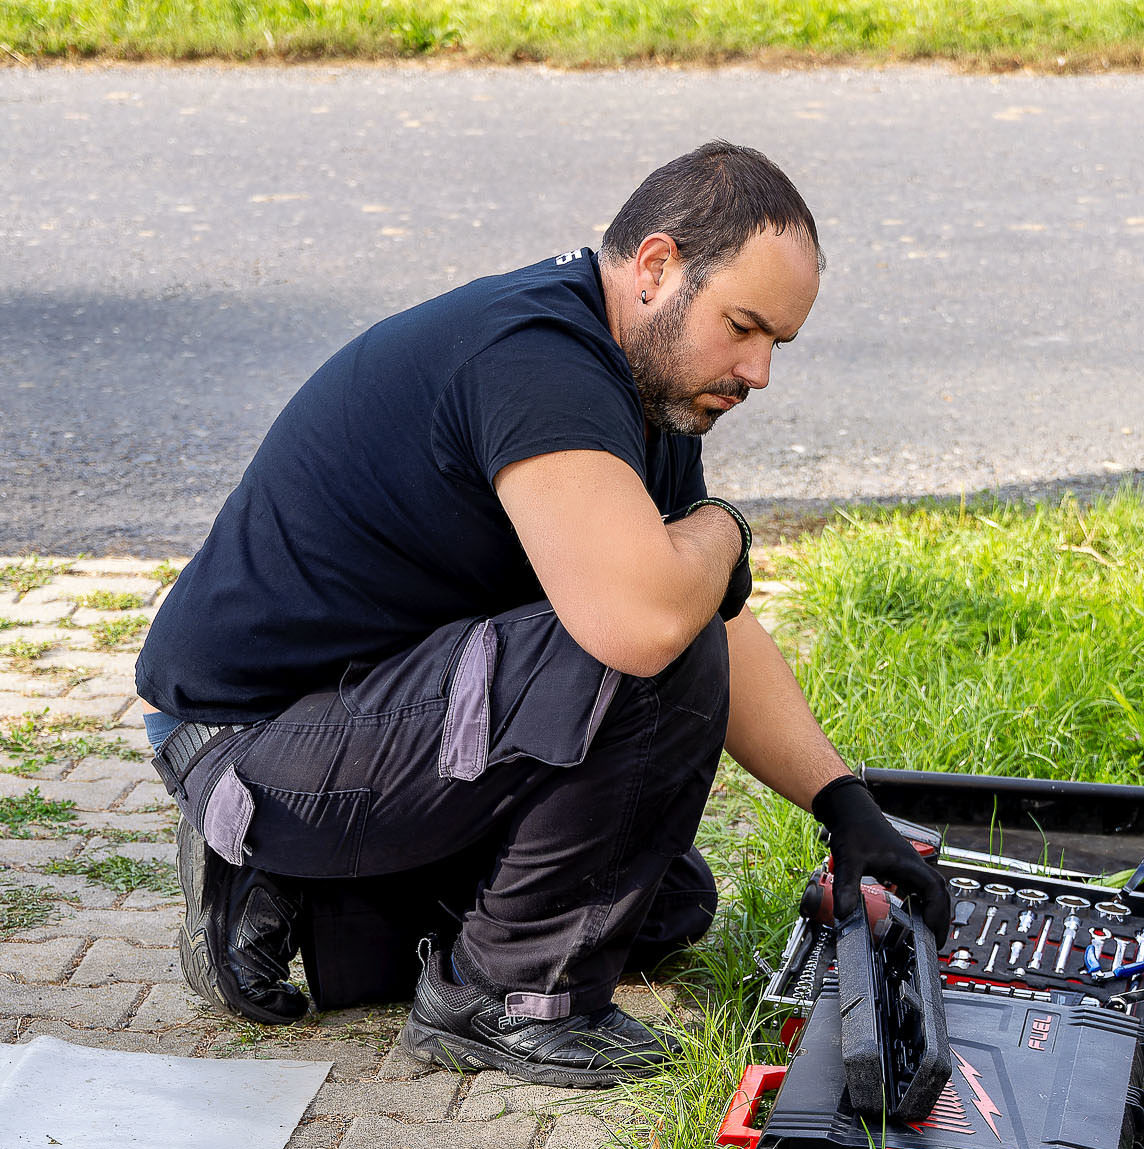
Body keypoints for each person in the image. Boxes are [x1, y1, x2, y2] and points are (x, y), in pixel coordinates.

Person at [137, 139, 950, 1086]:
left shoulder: (643, 384)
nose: (758, 370)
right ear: (656, 267)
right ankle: (501, 1000)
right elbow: (647, 623)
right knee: (647, 647)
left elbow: (714, 618)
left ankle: (302, 894)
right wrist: (725, 528)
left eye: (778, 344)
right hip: (253, 739)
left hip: (363, 715)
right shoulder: (536, 361)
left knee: (659, 905)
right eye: (743, 326)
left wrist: (844, 807)